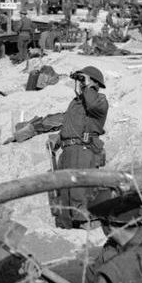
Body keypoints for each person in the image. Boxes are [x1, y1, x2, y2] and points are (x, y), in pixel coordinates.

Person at [56, 66, 109, 228]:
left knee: (82, 192)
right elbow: (70, 125)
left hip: (84, 151)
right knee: (64, 193)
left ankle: (88, 226)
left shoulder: (100, 100)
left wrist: (90, 86)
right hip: (68, 152)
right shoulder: (76, 103)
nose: (80, 84)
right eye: (79, 81)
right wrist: (58, 140)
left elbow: (92, 106)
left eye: (83, 80)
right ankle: (68, 226)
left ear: (94, 84)